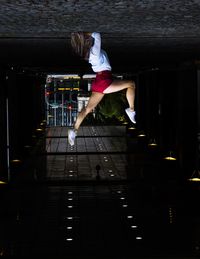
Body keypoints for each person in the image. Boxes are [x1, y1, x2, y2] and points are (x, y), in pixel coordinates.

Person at [68, 32, 136, 146]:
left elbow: (96, 36)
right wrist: (86, 34)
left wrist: (85, 35)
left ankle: (74, 130)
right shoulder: (93, 52)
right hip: (102, 81)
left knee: (87, 110)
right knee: (131, 84)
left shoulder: (92, 53)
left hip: (101, 81)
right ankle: (131, 109)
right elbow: (96, 34)